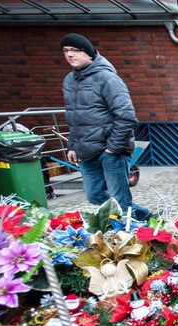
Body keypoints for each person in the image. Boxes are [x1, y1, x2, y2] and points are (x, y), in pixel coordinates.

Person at [60, 33, 149, 220]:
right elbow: (75, 117)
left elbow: (126, 117)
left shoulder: (107, 79)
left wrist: (112, 148)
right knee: (94, 195)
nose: (70, 55)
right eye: (66, 51)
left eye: (76, 50)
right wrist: (72, 145)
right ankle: (143, 217)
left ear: (89, 54)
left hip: (110, 151)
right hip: (86, 151)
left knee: (120, 201)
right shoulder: (69, 81)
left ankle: (134, 234)